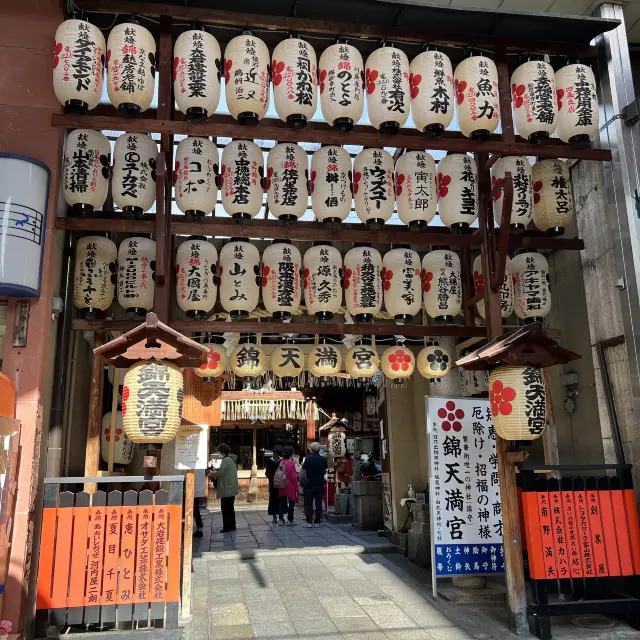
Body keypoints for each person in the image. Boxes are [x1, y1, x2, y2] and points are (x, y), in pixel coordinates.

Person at [209, 443, 239, 533]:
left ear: (222, 452)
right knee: (230, 508)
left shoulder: (226, 460)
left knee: (225, 508)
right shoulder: (232, 459)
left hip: (227, 487)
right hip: (231, 487)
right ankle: (232, 525)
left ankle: (226, 527)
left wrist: (212, 473)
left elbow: (221, 472)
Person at [302, 442, 327, 528]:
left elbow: (303, 471)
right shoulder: (323, 459)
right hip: (319, 484)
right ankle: (317, 522)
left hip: (309, 484)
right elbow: (324, 471)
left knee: (308, 503)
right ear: (319, 449)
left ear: (311, 450)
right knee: (318, 503)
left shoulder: (308, 459)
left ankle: (309, 522)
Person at [278, 445, 298, 526]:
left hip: (282, 485)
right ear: (291, 454)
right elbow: (293, 477)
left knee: (282, 502)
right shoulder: (291, 463)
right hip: (290, 485)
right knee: (291, 503)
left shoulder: (280, 462)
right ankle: (290, 520)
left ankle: (281, 519)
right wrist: (297, 487)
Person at [265, 444, 283, 525]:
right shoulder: (281, 461)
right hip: (281, 484)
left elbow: (267, 473)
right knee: (280, 500)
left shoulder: (269, 461)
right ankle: (281, 517)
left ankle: (274, 517)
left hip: (272, 483)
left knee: (273, 500)